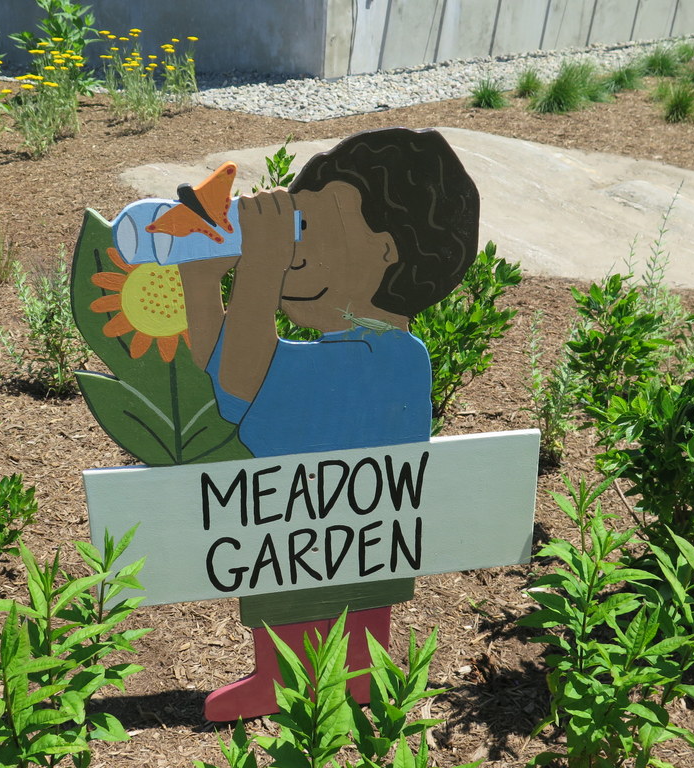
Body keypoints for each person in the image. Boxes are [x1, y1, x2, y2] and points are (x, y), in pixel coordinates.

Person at [179, 126, 480, 721]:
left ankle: (352, 673)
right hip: (308, 527)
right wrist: (202, 280)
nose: (291, 248)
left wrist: (259, 267)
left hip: (356, 534)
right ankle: (284, 673)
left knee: (343, 574)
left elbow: (242, 387)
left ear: (387, 249)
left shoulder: (392, 357)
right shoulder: (346, 354)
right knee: (290, 563)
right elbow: (225, 382)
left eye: (309, 229)